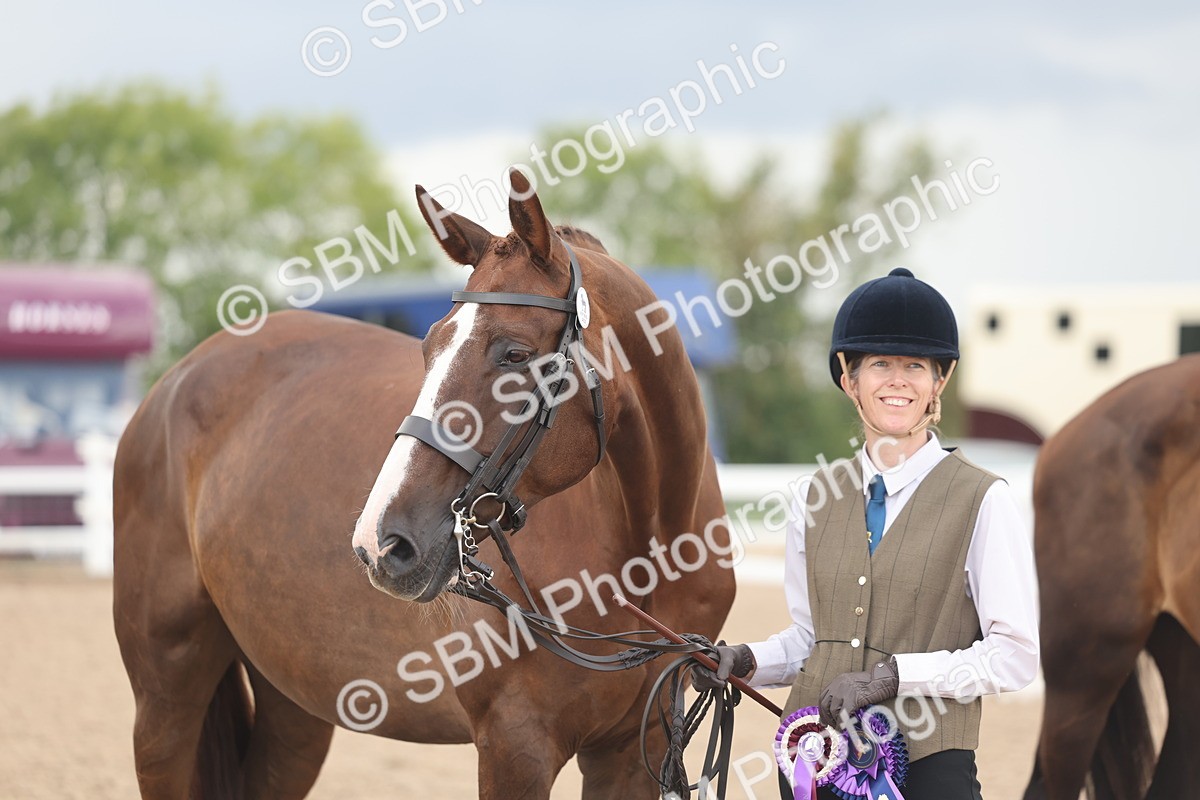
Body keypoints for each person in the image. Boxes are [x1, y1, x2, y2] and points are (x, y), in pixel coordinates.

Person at [694, 268, 1039, 799]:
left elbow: (1014, 655)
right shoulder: (813, 497)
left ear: (938, 381)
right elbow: (813, 639)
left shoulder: (984, 500)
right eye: (880, 364)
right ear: (849, 377)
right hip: (817, 762)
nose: (898, 381)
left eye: (915, 366)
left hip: (927, 768)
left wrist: (896, 677)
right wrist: (748, 660)